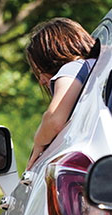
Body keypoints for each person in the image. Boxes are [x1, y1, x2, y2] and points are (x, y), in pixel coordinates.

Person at [25, 17, 97, 168]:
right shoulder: (95, 69)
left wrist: (38, 142)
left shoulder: (74, 68)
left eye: (40, 72)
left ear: (53, 58)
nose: (41, 81)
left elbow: (54, 120)